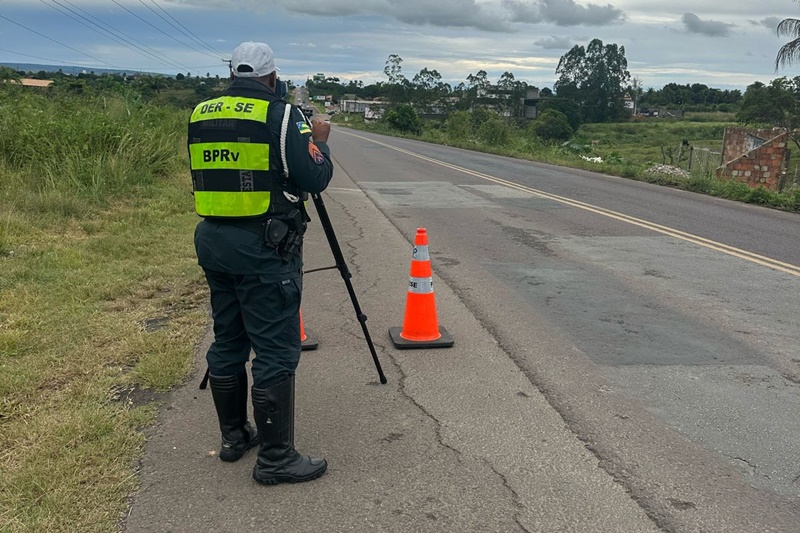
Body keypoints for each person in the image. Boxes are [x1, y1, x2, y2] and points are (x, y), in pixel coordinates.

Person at [187, 41, 333, 485]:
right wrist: (319, 143)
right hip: (264, 248)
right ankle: (275, 459)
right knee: (275, 349)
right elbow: (314, 178)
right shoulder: (282, 115)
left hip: (213, 241)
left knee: (229, 339)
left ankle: (235, 438)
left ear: (232, 72)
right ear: (272, 77)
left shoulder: (200, 113)